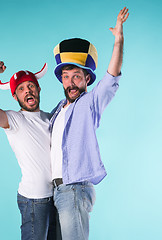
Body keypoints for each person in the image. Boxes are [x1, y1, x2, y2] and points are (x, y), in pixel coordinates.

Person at [50, 7, 129, 240]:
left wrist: (118, 40)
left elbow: (112, 77)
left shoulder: (90, 103)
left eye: (76, 76)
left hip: (74, 189)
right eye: (66, 76)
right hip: (54, 191)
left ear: (86, 79)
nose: (71, 82)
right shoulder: (58, 110)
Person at [0, 60, 60, 240]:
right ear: (15, 96)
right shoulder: (14, 120)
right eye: (21, 89)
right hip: (34, 200)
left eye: (31, 86)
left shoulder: (50, 118)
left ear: (38, 89)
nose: (27, 90)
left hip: (55, 198)